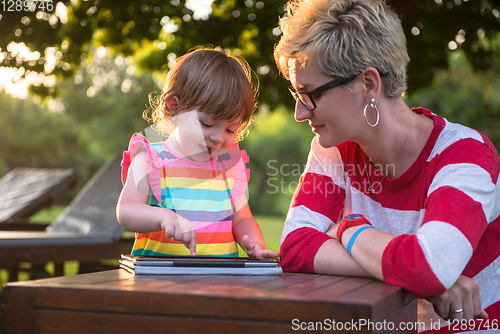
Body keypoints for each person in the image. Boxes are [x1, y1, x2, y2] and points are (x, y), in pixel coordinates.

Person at [274, 0, 499, 331]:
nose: (300, 112)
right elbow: (294, 247)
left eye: (309, 94)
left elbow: (427, 267)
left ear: (368, 84)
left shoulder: (466, 154)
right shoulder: (333, 149)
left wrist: (345, 229)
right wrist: (415, 273)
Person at [116, 47, 279, 261]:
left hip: (221, 282)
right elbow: (126, 211)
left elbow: (242, 219)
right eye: (207, 123)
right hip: (159, 284)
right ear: (174, 108)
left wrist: (255, 244)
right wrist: (163, 217)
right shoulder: (150, 159)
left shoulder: (228, 166)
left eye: (231, 129)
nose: (219, 138)